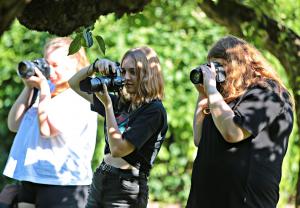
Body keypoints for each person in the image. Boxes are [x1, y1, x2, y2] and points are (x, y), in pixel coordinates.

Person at [186, 35, 294, 208]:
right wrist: (203, 94)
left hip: (244, 201)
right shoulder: (223, 99)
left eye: (219, 66)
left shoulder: (269, 92)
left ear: (239, 65)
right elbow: (199, 139)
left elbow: (233, 132)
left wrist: (212, 90)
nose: (215, 74)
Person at [3, 37, 98, 208]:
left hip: (63, 181)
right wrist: (28, 87)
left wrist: (44, 89)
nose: (50, 70)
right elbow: (14, 124)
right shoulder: (48, 90)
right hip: (32, 175)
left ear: (75, 65)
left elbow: (47, 130)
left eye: (56, 65)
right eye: (47, 64)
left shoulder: (80, 95)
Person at [68, 46, 168, 207]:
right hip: (101, 178)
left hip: (126, 189)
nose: (126, 77)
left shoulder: (154, 111)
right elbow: (74, 84)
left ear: (148, 75)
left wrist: (107, 106)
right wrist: (95, 66)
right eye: (123, 71)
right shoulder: (120, 103)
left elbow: (118, 149)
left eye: (133, 72)